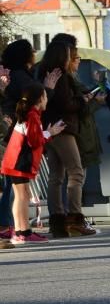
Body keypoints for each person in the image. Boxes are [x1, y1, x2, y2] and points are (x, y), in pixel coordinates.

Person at [37, 41, 100, 237]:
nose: (74, 59)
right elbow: (66, 104)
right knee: (76, 172)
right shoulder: (62, 77)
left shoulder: (46, 72)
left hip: (52, 129)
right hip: (63, 128)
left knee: (56, 176)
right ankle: (75, 218)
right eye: (72, 55)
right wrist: (83, 100)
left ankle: (57, 221)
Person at [1, 40, 60, 241]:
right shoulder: (31, 114)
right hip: (18, 157)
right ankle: (20, 230)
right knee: (19, 194)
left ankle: (19, 229)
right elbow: (35, 139)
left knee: (21, 193)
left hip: (15, 155)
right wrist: (50, 132)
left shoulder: (21, 82)